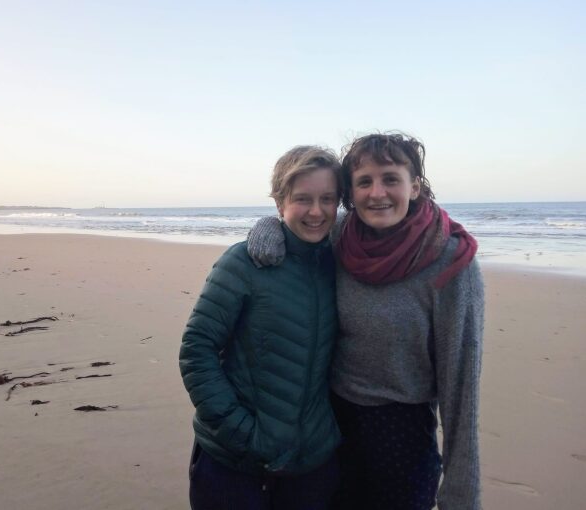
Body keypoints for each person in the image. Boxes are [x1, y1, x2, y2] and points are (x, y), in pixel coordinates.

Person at [248, 133, 484, 510]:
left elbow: (462, 385)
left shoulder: (451, 261)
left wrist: (462, 492)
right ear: (350, 194)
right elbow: (301, 218)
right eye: (364, 182)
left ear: (415, 186)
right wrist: (267, 228)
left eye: (390, 178)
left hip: (402, 437)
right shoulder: (340, 237)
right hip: (330, 428)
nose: (377, 193)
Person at [180, 146, 344, 510]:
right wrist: (240, 433)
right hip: (234, 463)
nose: (316, 211)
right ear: (279, 202)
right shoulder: (244, 261)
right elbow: (197, 349)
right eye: (302, 199)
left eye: (327, 199)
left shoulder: (343, 264)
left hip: (312, 464)